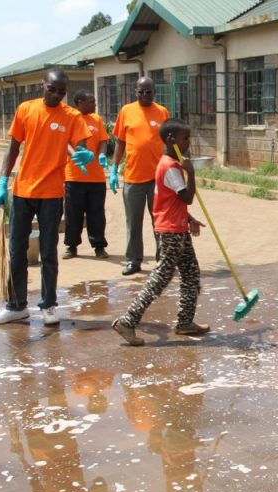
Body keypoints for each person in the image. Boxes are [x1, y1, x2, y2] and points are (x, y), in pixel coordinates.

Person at [0, 68, 93, 326]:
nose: (57, 95)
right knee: (17, 251)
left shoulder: (71, 116)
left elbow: (80, 145)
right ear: (42, 85)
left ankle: (48, 305)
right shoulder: (26, 109)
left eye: (61, 91)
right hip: (23, 190)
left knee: (48, 252)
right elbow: (13, 147)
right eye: (52, 89)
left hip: (51, 194)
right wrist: (3, 182)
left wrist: (85, 154)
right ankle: (16, 306)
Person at [112, 118, 208, 346]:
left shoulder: (171, 165)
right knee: (161, 277)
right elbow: (187, 197)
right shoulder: (170, 167)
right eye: (186, 139)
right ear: (171, 140)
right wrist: (192, 173)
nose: (188, 143)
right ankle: (127, 320)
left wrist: (190, 219)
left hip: (178, 227)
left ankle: (185, 322)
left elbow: (174, 202)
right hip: (171, 231)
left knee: (191, 273)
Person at [111, 76, 169, 276]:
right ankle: (133, 260)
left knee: (159, 222)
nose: (145, 95)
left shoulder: (162, 112)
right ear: (135, 92)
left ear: (154, 92)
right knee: (133, 223)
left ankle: (163, 261)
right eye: (141, 91)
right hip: (133, 178)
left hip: (157, 179)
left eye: (149, 91)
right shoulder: (126, 111)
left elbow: (170, 141)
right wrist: (113, 168)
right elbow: (119, 141)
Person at [63, 89, 111, 260]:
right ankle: (71, 246)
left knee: (97, 214)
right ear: (80, 102)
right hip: (74, 177)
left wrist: (102, 154)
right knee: (73, 214)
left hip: (96, 178)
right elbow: (64, 142)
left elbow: (104, 140)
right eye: (91, 101)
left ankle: (99, 246)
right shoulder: (70, 119)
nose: (94, 104)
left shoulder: (96, 119)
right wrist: (74, 156)